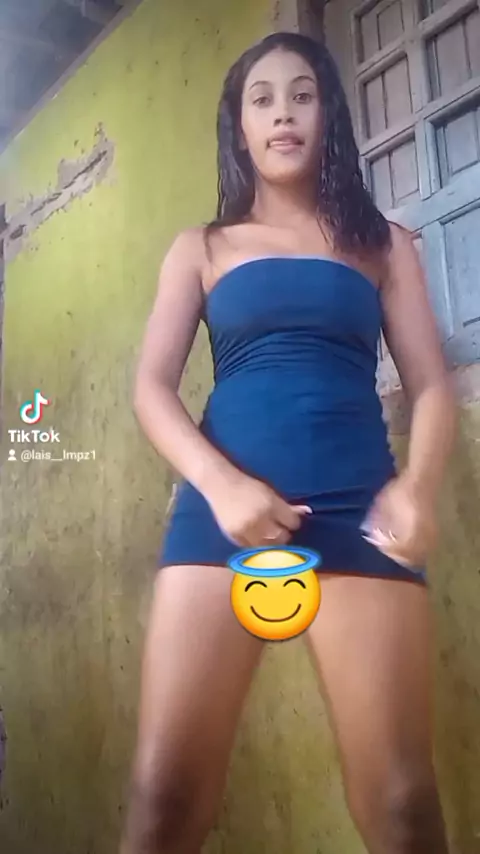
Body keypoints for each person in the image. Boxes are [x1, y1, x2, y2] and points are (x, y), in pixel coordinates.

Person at [121, 32, 455, 854]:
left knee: (404, 804)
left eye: (302, 96)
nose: (283, 115)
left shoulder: (384, 244)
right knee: (164, 798)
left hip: (358, 514)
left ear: (327, 115)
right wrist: (221, 485)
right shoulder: (200, 248)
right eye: (262, 99)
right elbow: (151, 389)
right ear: (239, 128)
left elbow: (432, 387)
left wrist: (417, 486)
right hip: (219, 519)